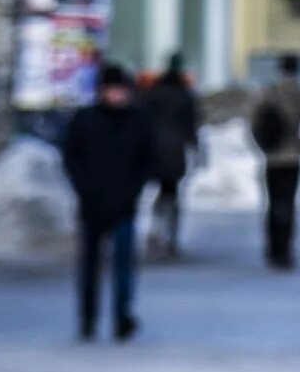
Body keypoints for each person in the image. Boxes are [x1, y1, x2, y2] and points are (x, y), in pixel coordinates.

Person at [60, 62, 157, 339]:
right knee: (90, 266)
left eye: (120, 90)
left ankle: (121, 316)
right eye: (112, 90)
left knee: (124, 266)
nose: (117, 96)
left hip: (125, 204)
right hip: (91, 204)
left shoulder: (138, 120)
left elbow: (146, 160)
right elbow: (71, 159)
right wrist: (84, 189)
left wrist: (134, 190)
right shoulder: (85, 120)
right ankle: (88, 319)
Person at [248, 53, 300, 269]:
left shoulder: (268, 91)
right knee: (289, 205)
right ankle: (285, 252)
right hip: (292, 158)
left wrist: (263, 146)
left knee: (272, 204)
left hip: (271, 158)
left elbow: (254, 123)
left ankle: (271, 251)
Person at [141, 54, 200, 259]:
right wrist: (194, 146)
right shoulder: (184, 95)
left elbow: (141, 118)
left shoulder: (153, 93)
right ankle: (170, 237)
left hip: (152, 149)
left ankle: (155, 229)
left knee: (155, 191)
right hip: (174, 150)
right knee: (171, 193)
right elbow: (191, 124)